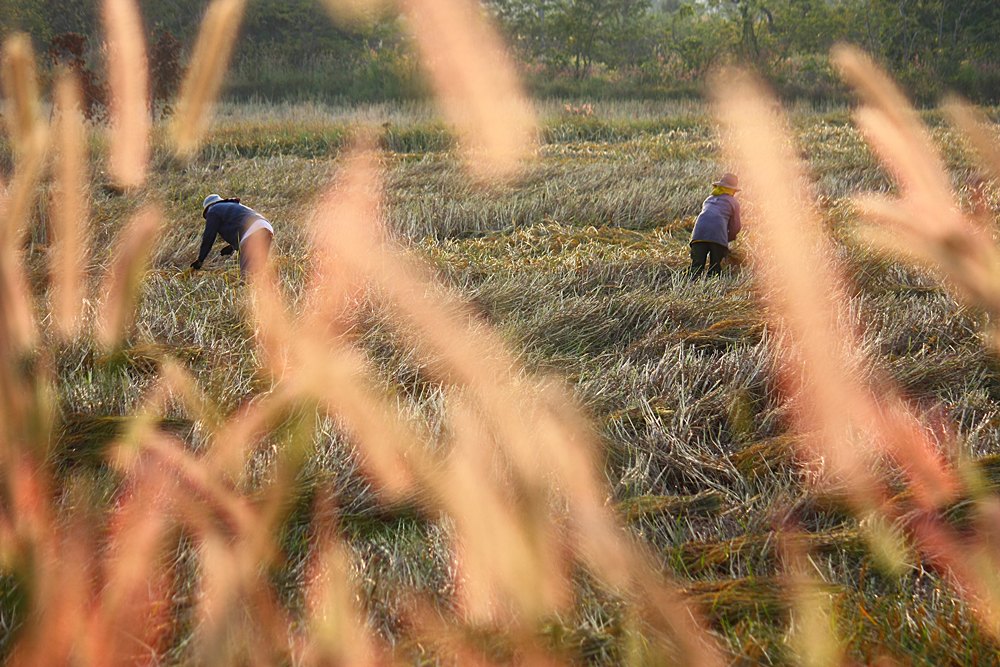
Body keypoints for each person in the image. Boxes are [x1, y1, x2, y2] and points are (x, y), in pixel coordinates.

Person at [191, 194, 274, 279]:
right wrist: (232, 247)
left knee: (246, 275)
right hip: (266, 227)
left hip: (252, 230)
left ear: (207, 209)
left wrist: (200, 260)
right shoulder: (232, 206)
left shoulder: (213, 210)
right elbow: (238, 224)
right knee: (257, 271)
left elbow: (208, 236)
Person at [689, 173, 742, 278]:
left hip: (699, 234)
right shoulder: (733, 202)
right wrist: (727, 239)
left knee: (696, 268)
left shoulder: (709, 199)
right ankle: (710, 290)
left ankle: (691, 286)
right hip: (717, 237)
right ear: (733, 190)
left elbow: (708, 216)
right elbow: (735, 227)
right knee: (714, 269)